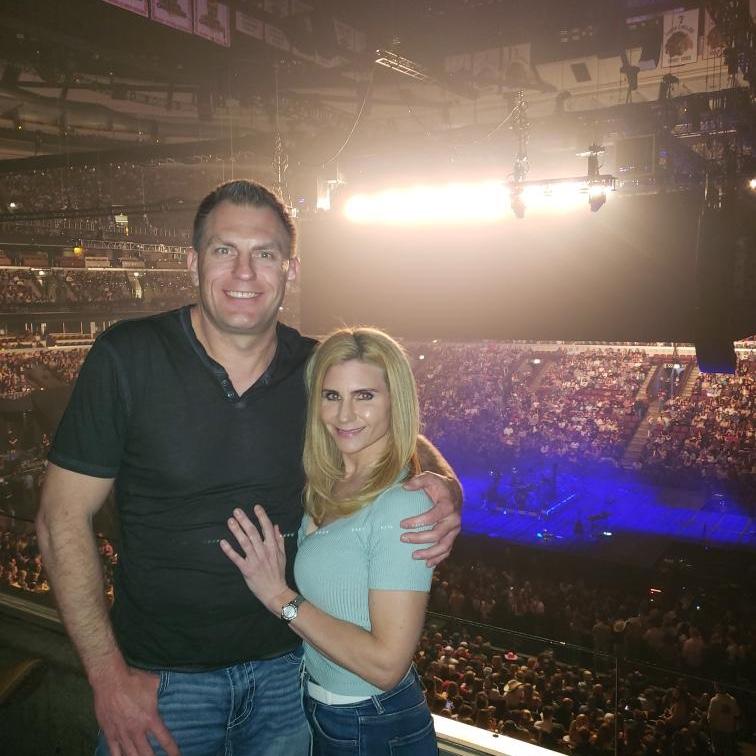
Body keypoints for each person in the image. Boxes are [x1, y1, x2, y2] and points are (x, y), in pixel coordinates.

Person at [35, 180, 462, 756]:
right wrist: (107, 677)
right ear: (193, 262)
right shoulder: (128, 357)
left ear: (290, 269)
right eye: (224, 250)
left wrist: (446, 488)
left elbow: (397, 433)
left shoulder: (314, 369)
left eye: (264, 253)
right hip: (162, 683)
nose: (244, 272)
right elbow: (59, 519)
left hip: (288, 675)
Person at [221, 327, 438, 755]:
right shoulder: (328, 483)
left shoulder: (402, 504)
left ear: (395, 400)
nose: (344, 415)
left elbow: (386, 665)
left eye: (365, 396)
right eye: (332, 396)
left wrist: (278, 596)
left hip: (374, 722)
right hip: (324, 708)